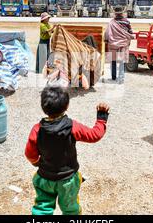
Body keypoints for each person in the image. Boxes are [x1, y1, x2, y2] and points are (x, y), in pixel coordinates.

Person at [25, 86, 110, 215]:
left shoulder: (37, 130)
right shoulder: (72, 127)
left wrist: (36, 163)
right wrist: (101, 118)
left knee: (42, 208)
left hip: (44, 178)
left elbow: (30, 154)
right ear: (67, 106)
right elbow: (94, 135)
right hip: (68, 180)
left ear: (43, 107)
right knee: (70, 209)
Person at [104, 7, 135, 84]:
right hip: (123, 44)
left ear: (115, 13)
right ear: (122, 13)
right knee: (122, 61)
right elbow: (131, 33)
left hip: (113, 44)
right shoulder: (127, 22)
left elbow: (107, 33)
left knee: (113, 61)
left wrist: (106, 41)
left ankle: (113, 77)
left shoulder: (111, 22)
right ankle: (121, 78)